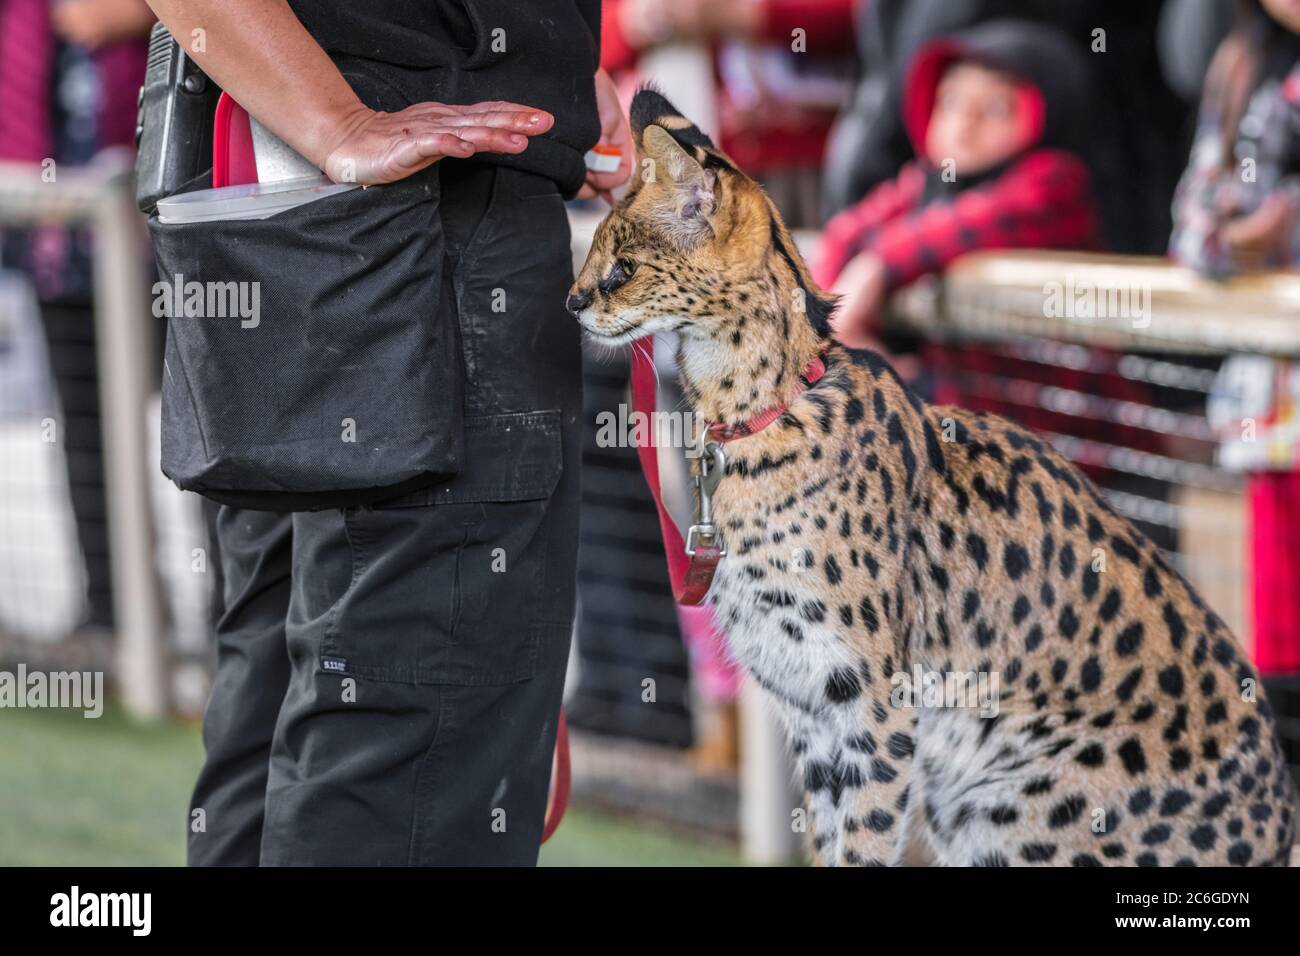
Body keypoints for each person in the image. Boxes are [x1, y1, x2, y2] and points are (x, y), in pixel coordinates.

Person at [145, 0, 631, 865]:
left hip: (322, 207)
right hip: (405, 219)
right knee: (399, 779)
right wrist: (340, 122)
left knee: (292, 733)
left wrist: (547, 53)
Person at [0, 0, 155, 632]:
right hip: (54, 237)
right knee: (86, 430)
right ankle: (110, 618)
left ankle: (221, 624)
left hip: (165, 232)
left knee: (205, 423)